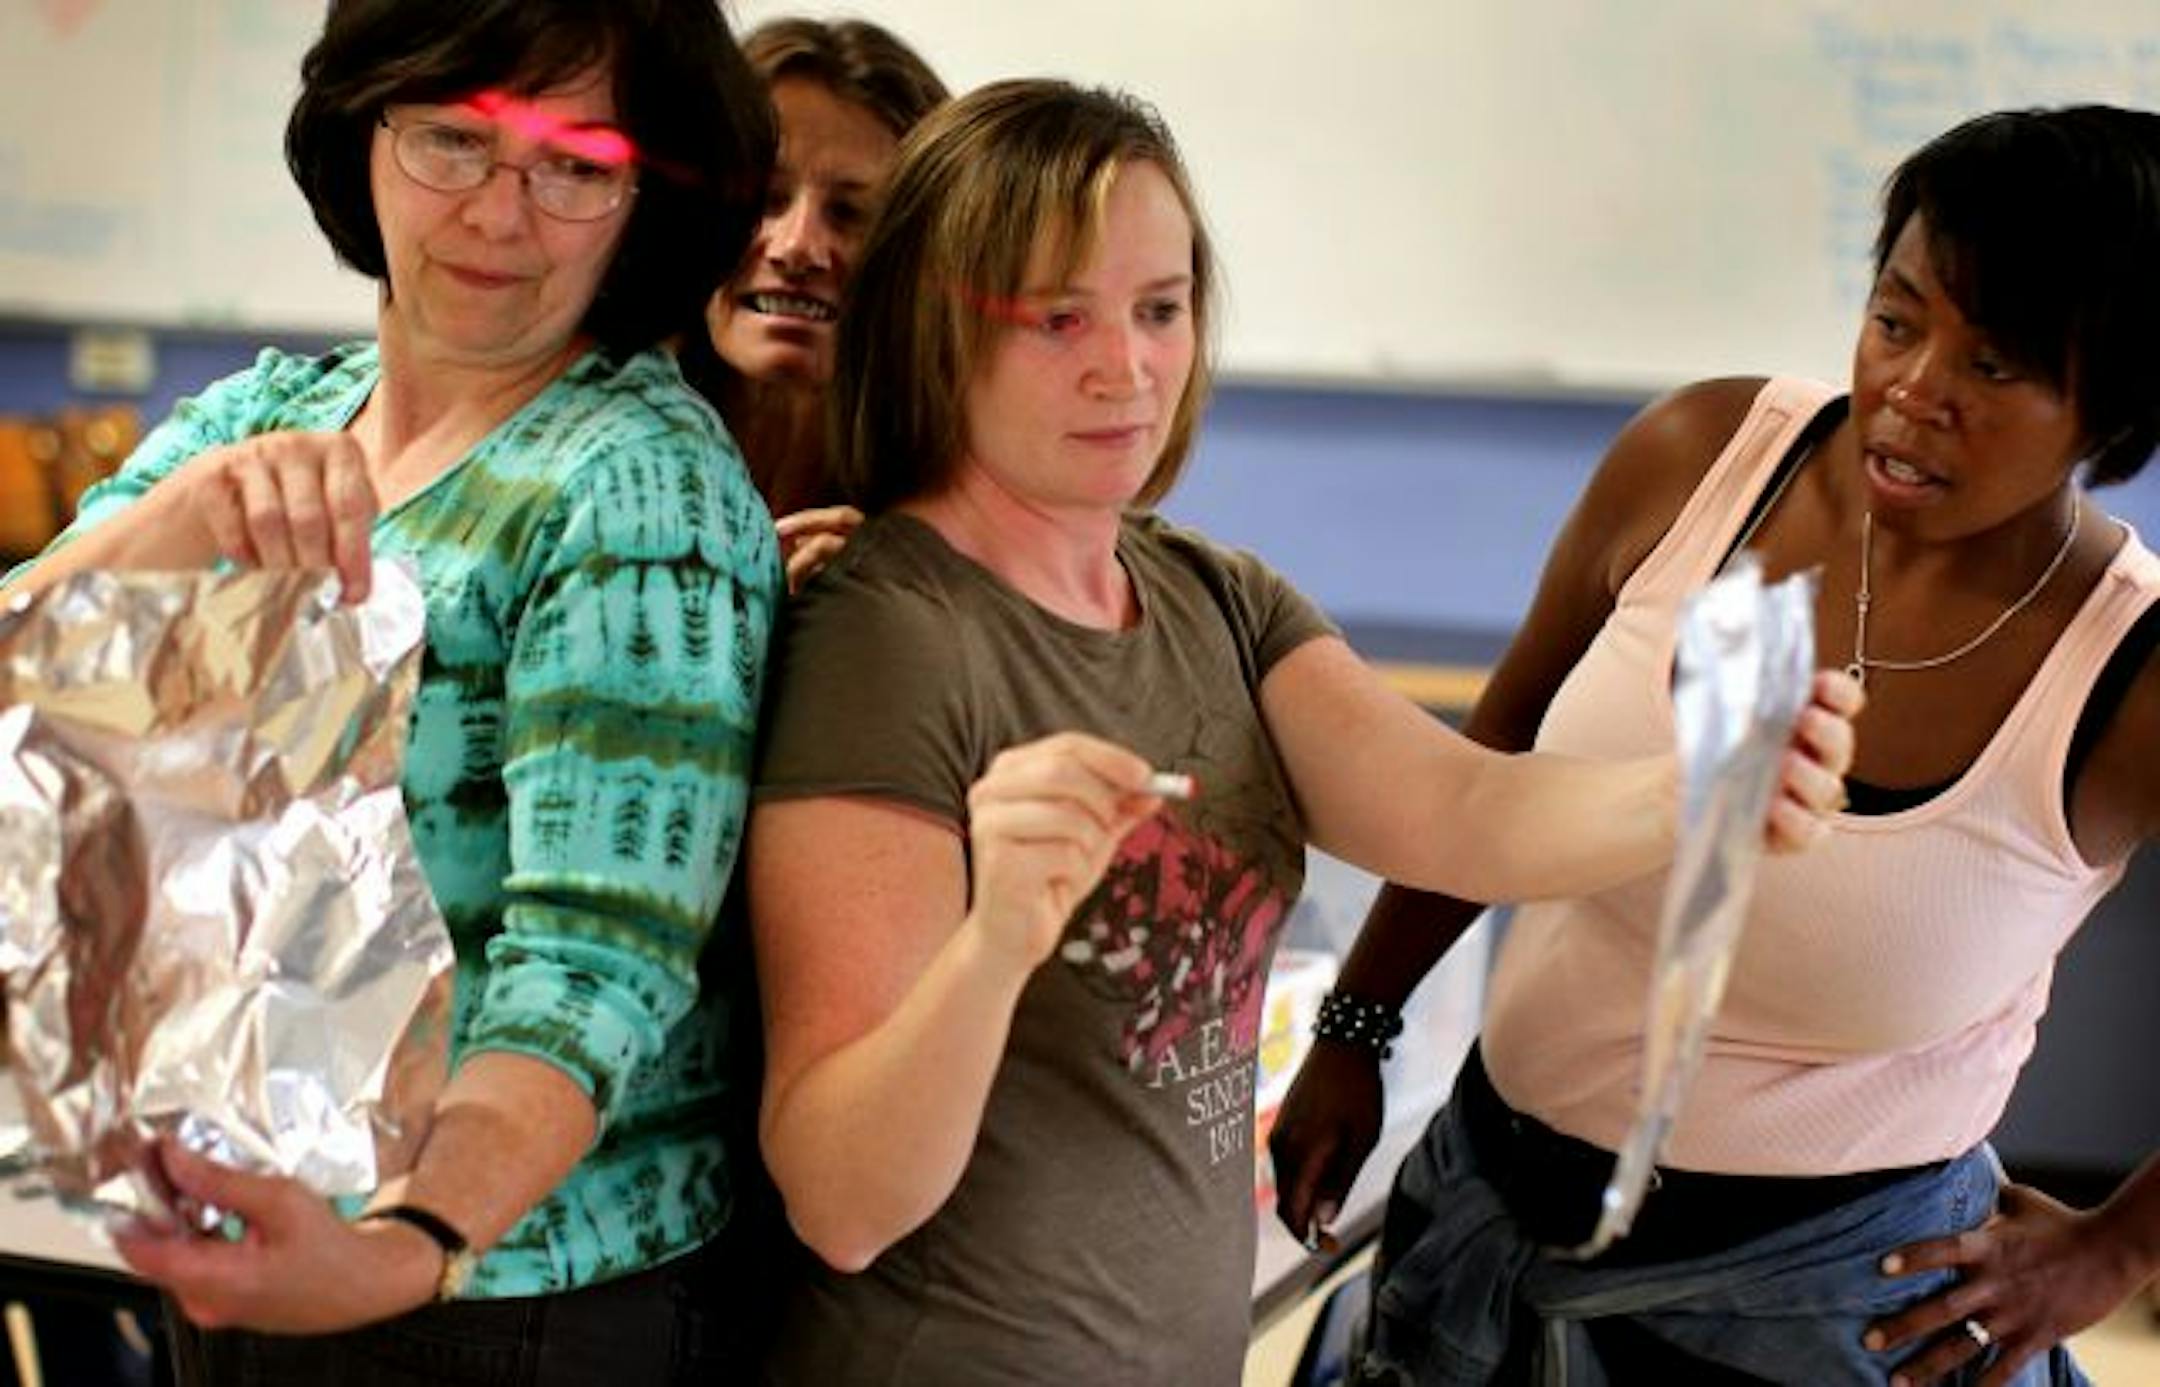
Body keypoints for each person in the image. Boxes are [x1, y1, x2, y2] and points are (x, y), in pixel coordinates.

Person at [744, 78, 1859, 1386]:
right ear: (938, 331)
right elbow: (843, 1197)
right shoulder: (888, 638)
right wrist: (995, 947)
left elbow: (1462, 814)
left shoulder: (1207, 593)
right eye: (1061, 319)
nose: (1130, 365)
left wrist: (1704, 787)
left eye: (1161, 309)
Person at [1268, 104, 2160, 1387]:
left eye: (1997, 364)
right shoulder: (1700, 459)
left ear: (2116, 404)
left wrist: (2117, 1251)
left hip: (1831, 1314)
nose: (1915, 391)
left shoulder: (2128, 673)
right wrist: (1358, 1022)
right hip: (1485, 1213)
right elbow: (1497, 759)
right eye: (1897, 320)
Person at [0, 0, 782, 1381]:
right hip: (256, 1221)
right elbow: (22, 677)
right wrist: (174, 517)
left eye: (574, 164)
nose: (499, 211)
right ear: (363, 136)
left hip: (506, 1287)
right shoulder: (263, 422)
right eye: (452, 142)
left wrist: (411, 1237)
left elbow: (597, 961)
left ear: (642, 198)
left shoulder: (636, 483)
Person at [678, 16, 948, 591]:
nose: (797, 247)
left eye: (850, 214)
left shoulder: (948, 535)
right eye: (766, 199)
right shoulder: (584, 467)